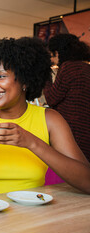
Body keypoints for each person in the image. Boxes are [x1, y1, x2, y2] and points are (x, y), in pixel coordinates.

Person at [0, 37, 90, 198]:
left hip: (34, 206)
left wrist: (31, 142)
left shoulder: (50, 120)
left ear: (24, 80)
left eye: (0, 76)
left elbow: (87, 182)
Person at [43, 33, 90, 162]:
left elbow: (51, 98)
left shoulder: (68, 67)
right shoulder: (87, 68)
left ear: (58, 52)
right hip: (86, 132)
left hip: (71, 131)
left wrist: (46, 77)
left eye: (53, 54)